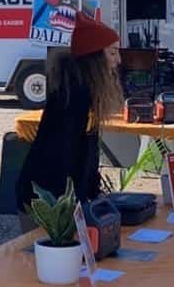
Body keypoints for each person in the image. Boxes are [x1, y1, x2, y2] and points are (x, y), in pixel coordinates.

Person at [14, 14, 122, 231]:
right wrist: (77, 203)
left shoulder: (87, 93)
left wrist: (92, 192)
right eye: (112, 53)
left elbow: (86, 152)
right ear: (94, 59)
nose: (118, 60)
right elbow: (61, 157)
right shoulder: (72, 97)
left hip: (64, 199)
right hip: (48, 200)